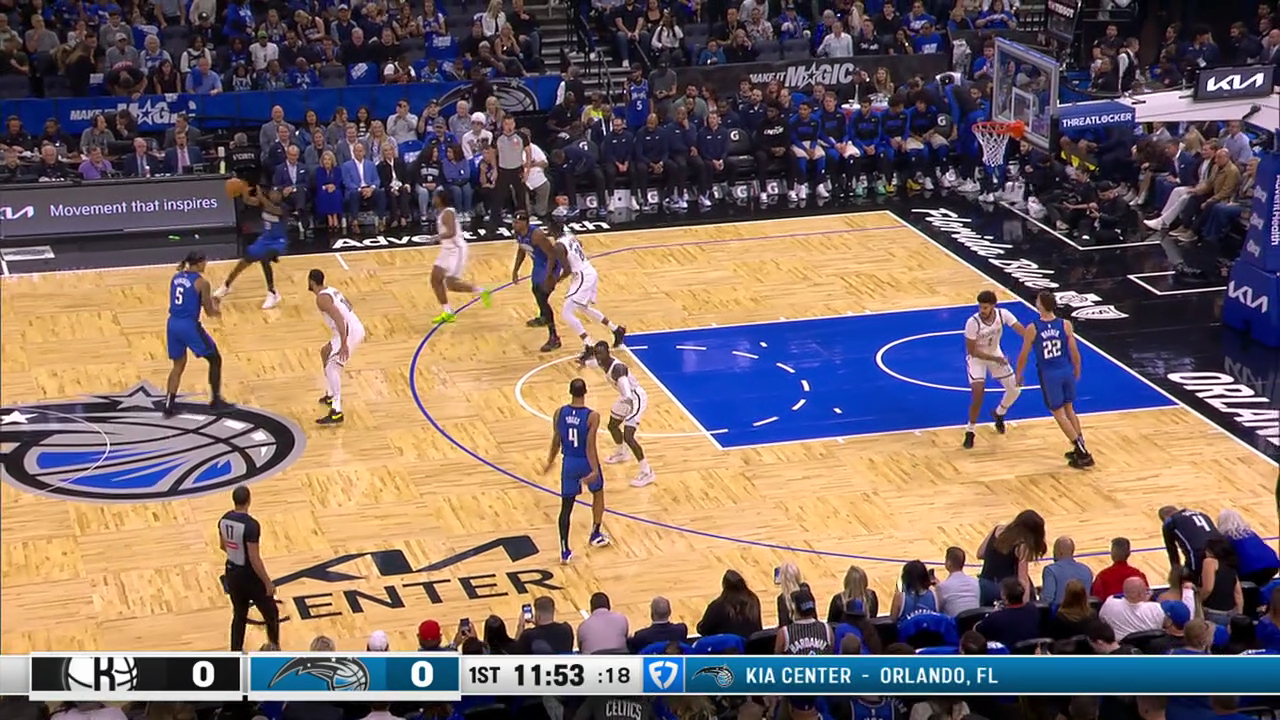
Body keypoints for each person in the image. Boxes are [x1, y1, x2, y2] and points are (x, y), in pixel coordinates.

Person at [1014, 290, 1093, 468]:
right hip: (1065, 370)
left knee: (1058, 413)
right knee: (1069, 409)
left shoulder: (1033, 328)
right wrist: (1077, 368)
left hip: (1050, 375)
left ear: (1041, 305)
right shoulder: (1065, 324)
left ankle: (1082, 452)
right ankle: (1080, 447)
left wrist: (1019, 374)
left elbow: (1023, 355)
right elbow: (1074, 351)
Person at [540, 378, 609, 564]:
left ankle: (564, 551)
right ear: (585, 392)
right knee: (598, 493)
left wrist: (550, 461)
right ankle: (595, 533)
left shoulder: (559, 412)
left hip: (568, 462)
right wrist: (594, 470)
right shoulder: (592, 416)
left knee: (566, 507)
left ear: (570, 392)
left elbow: (556, 440)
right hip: (585, 461)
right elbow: (590, 446)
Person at [543, 217, 627, 365]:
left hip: (582, 276)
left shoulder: (559, 246)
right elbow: (579, 245)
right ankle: (616, 329)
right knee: (583, 308)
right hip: (587, 271)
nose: (548, 231)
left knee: (567, 312)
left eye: (549, 228)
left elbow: (567, 269)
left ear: (553, 230)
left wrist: (555, 282)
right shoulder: (570, 236)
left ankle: (589, 345)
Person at [164, 251, 227, 416]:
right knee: (215, 359)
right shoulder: (202, 283)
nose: (205, 264)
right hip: (188, 326)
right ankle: (216, 401)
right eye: (204, 262)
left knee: (177, 366)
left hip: (172, 324)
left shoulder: (176, 277)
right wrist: (216, 306)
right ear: (198, 263)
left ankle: (169, 405)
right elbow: (209, 311)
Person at [961, 289, 1024, 449]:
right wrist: (996, 359)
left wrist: (1033, 337)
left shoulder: (1003, 314)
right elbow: (972, 351)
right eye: (980, 307)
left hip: (995, 354)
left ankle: (999, 413)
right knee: (978, 393)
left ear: (993, 306)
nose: (982, 310)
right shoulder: (972, 322)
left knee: (1015, 389)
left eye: (985, 307)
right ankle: (970, 431)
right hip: (978, 359)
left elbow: (1021, 330)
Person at [219, 485, 280, 651]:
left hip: (232, 572)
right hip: (249, 577)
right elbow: (254, 558)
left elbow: (222, 546)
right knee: (271, 613)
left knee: (239, 615)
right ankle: (274, 649)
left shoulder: (223, 519)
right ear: (249, 500)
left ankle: (235, 653)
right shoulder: (251, 525)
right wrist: (267, 582)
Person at [213, 185, 288, 310]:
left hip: (278, 241)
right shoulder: (263, 202)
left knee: (265, 258)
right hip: (264, 239)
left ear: (280, 196)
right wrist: (243, 191)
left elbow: (271, 208)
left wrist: (261, 197)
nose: (274, 195)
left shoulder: (284, 207)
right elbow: (248, 201)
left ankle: (272, 292)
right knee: (243, 262)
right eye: (272, 193)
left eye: (276, 193)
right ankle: (226, 286)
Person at [593, 341, 656, 488]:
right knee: (612, 425)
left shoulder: (618, 369)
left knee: (629, 435)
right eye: (596, 354)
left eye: (600, 353)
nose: (598, 357)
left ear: (608, 353)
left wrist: (629, 412)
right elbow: (592, 362)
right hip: (625, 398)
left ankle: (647, 472)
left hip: (635, 398)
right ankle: (622, 453)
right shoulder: (603, 363)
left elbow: (627, 392)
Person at [310, 269, 366, 425]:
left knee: (332, 367)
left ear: (311, 282)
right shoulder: (331, 290)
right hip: (349, 328)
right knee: (325, 352)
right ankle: (330, 394)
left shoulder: (322, 299)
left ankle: (336, 410)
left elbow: (340, 319)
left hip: (349, 332)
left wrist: (344, 344)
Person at [430, 190, 491, 324]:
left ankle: (482, 291)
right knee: (435, 279)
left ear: (440, 199)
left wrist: (436, 237)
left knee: (451, 284)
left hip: (456, 251)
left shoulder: (448, 213)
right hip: (446, 250)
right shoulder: (442, 212)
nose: (433, 199)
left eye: (435, 197)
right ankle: (447, 312)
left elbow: (451, 232)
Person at [511, 212, 561, 352]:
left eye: (517, 222)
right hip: (538, 264)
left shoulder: (537, 235)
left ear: (525, 223)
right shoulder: (518, 234)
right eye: (514, 222)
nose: (514, 225)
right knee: (535, 290)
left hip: (550, 264)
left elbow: (552, 254)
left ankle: (554, 337)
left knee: (542, 297)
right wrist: (515, 270)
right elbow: (521, 250)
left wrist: (549, 275)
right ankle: (543, 317)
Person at [1158, 506, 1218, 578]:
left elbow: (1172, 552)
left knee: (1188, 578)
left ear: (1164, 519)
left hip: (1198, 554)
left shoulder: (1170, 521)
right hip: (1222, 551)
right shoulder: (1201, 514)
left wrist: (1177, 576)